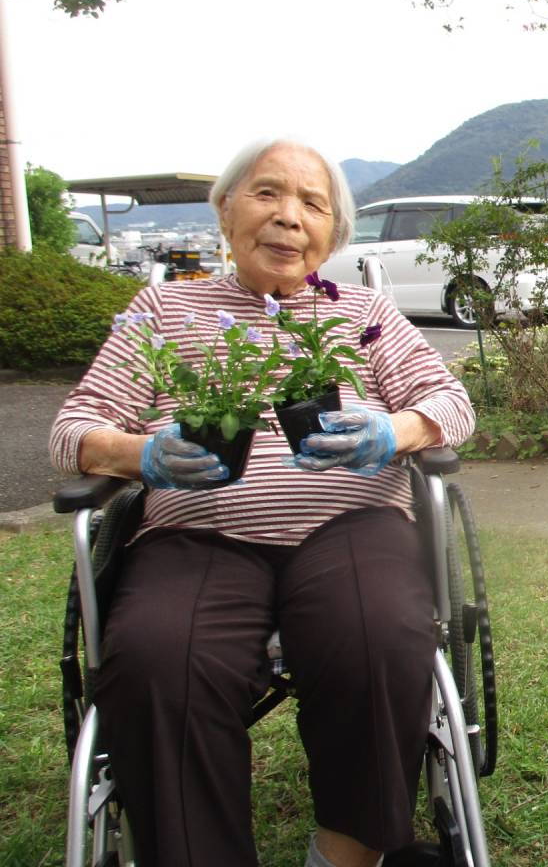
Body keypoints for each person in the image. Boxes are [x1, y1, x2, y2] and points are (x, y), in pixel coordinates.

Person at [50, 139, 475, 867]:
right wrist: (138, 455)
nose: (288, 218)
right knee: (158, 657)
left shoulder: (365, 310)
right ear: (224, 209)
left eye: (312, 205)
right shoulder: (163, 306)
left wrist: (394, 430)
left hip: (351, 526)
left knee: (379, 633)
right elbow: (72, 428)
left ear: (333, 234)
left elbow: (452, 403)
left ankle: (345, 855)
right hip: (198, 531)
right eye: (267, 194)